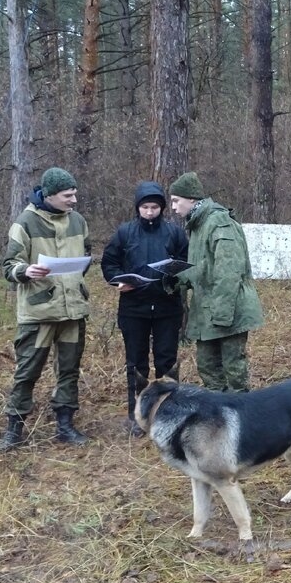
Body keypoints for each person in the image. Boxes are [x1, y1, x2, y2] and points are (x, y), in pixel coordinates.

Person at [0, 167, 92, 451]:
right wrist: (26, 271)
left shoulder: (78, 221)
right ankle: (14, 429)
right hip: (38, 314)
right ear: (49, 195)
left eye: (74, 194)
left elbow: (85, 256)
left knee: (69, 370)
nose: (73, 200)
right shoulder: (25, 223)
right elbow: (7, 266)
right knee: (27, 371)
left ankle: (65, 425)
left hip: (73, 311)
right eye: (67, 195)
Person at [101, 181, 189, 433]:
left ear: (162, 208)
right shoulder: (125, 233)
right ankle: (137, 412)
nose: (150, 212)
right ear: (138, 208)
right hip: (133, 307)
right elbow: (109, 263)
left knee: (166, 360)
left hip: (167, 307)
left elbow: (185, 261)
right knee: (136, 362)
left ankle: (168, 411)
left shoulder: (174, 233)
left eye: (154, 207)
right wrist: (119, 281)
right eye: (145, 207)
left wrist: (174, 275)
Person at [167, 172, 264, 392]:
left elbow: (229, 272)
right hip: (207, 311)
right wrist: (174, 277)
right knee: (208, 368)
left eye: (176, 201)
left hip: (228, 310)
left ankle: (241, 417)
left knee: (234, 372)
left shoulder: (219, 222)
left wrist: (222, 315)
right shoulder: (198, 225)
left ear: (191, 199)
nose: (173, 207)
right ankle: (221, 416)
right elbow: (201, 270)